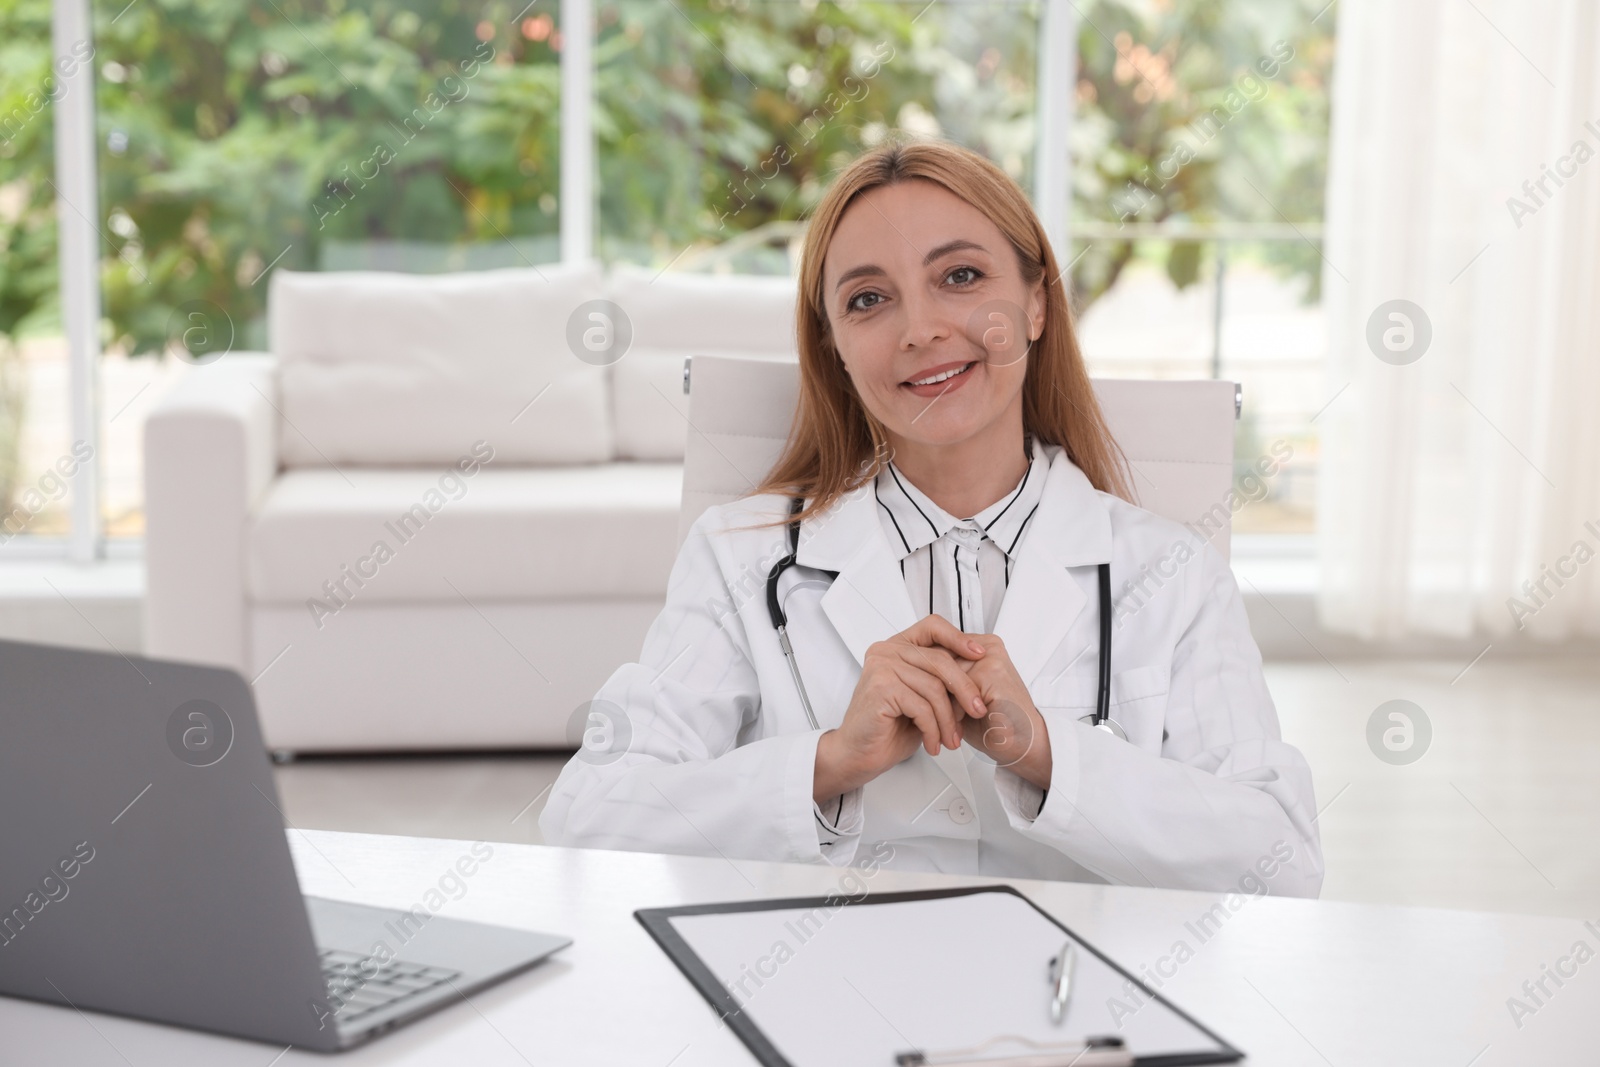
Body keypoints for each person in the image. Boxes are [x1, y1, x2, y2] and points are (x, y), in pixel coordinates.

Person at [540, 135, 1323, 896]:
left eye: (960, 275)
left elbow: (1281, 858)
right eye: (869, 299)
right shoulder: (739, 557)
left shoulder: (1172, 572)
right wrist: (830, 762)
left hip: (1073, 1009)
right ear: (837, 347)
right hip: (823, 1002)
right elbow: (586, 816)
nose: (919, 330)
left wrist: (1050, 753)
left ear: (1038, 303)